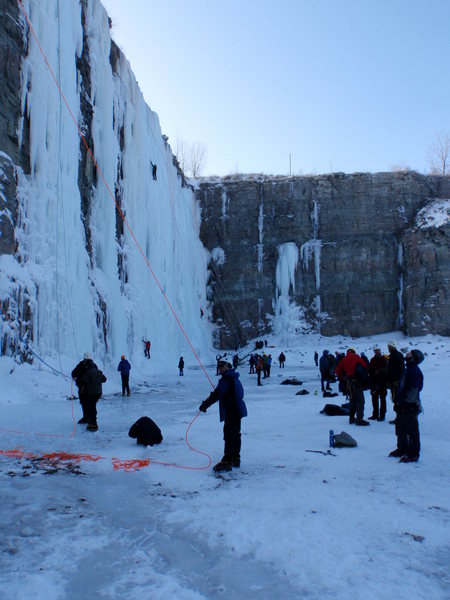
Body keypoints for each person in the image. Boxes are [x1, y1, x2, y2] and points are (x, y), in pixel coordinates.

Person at [199, 359, 247, 472]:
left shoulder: (226, 379)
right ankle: (235, 458)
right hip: (237, 411)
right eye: (219, 366)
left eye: (222, 366)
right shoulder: (234, 377)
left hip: (232, 411)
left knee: (229, 434)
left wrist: (205, 405)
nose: (220, 368)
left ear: (227, 366)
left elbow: (217, 394)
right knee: (235, 434)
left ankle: (227, 460)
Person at [389, 349, 424, 462]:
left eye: (410, 353)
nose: (407, 353)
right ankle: (402, 448)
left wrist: (405, 403)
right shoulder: (408, 369)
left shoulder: (414, 371)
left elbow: (413, 390)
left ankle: (413, 454)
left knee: (412, 430)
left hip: (410, 406)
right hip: (403, 405)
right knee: (400, 427)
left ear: (414, 357)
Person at [335, 348, 370, 426]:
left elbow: (337, 371)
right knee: (360, 401)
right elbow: (365, 366)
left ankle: (351, 418)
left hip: (349, 384)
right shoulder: (356, 357)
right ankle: (359, 419)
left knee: (352, 400)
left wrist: (343, 377)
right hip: (357, 382)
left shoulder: (344, 359)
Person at [79, 362, 107, 431]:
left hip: (91, 393)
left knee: (91, 407)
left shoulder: (88, 373)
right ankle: (92, 421)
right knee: (92, 406)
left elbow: (85, 381)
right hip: (98, 393)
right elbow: (104, 379)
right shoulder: (98, 372)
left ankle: (93, 424)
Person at [71, 353, 98, 424]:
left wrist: (76, 378)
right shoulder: (94, 365)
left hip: (82, 388)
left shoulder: (81, 365)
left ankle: (86, 417)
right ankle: (92, 419)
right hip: (92, 389)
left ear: (84, 358)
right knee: (92, 404)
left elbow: (73, 373)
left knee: (84, 403)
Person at [368, 345, 388, 421]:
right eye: (375, 350)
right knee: (374, 399)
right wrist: (372, 385)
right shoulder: (372, 360)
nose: (377, 352)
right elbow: (370, 372)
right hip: (374, 382)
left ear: (380, 350)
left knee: (382, 400)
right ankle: (375, 414)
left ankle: (382, 415)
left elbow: (386, 372)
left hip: (382, 383)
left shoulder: (384, 359)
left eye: (378, 350)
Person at [387, 341, 404, 423]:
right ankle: (400, 417)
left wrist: (396, 380)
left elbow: (396, 370)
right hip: (396, 381)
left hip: (395, 382)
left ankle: (399, 417)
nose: (388, 348)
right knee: (396, 399)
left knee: (396, 399)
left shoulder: (394, 356)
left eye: (389, 347)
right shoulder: (397, 355)